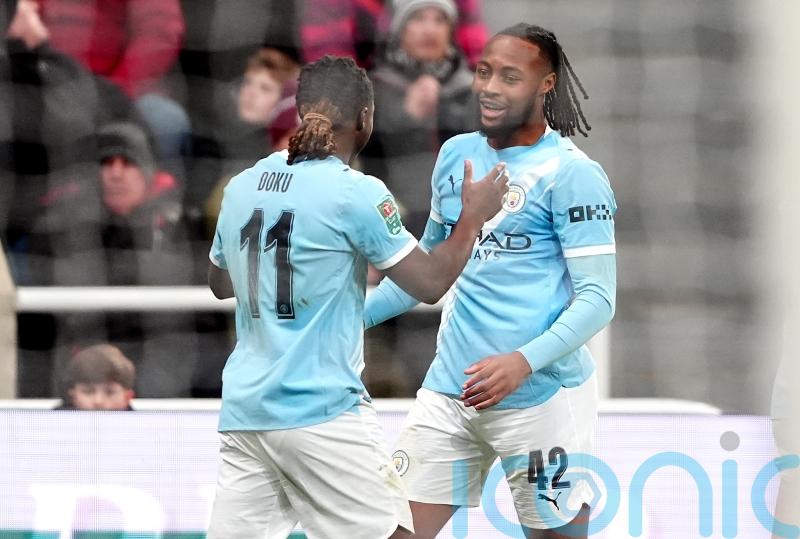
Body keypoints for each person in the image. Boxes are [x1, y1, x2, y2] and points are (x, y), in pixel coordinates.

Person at [206, 55, 508, 538]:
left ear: (301, 109)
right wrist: (473, 217)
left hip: (245, 413)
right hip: (320, 410)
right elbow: (430, 284)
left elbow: (221, 284)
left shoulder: (240, 187)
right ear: (366, 118)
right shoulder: (355, 193)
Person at [364, 23, 617, 538]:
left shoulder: (572, 173)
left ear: (546, 84)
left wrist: (523, 362)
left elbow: (598, 298)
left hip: (540, 396)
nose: (491, 87)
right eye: (484, 72)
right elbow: (427, 265)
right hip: (450, 390)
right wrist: (345, 316)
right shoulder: (457, 155)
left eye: (510, 76)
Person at [362, 0, 477, 237]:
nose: (430, 30)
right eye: (418, 18)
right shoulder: (374, 88)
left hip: (466, 227)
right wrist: (407, 116)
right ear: (398, 28)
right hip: (392, 228)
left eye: (440, 20)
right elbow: (361, 159)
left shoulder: (473, 89)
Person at [54, 344, 136, 410]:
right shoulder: (52, 424)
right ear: (73, 396)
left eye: (109, 392)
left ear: (127, 397)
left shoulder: (140, 426)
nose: (98, 401)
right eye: (88, 392)